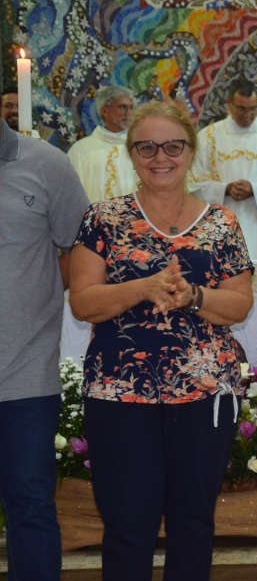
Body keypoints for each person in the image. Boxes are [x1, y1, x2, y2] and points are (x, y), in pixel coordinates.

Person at [68, 102, 254, 581]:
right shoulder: (103, 219)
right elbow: (83, 302)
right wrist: (144, 287)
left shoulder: (221, 224)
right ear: (131, 155)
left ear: (191, 152)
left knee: (193, 523)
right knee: (129, 526)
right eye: (146, 147)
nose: (160, 156)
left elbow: (240, 305)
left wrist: (192, 296)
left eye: (173, 145)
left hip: (204, 396)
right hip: (120, 395)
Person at [0, 118, 88, 580]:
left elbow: (84, 247)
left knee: (30, 504)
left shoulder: (46, 164)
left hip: (24, 375)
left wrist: (35, 296)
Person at [189, 76, 257, 260]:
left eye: (252, 109)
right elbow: (193, 184)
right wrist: (226, 189)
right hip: (220, 227)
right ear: (228, 103)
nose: (247, 115)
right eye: (241, 109)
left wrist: (254, 189)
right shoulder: (208, 136)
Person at [67, 86, 138, 202]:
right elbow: (69, 194)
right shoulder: (80, 150)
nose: (129, 113)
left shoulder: (140, 148)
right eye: (122, 107)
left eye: (131, 108)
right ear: (105, 111)